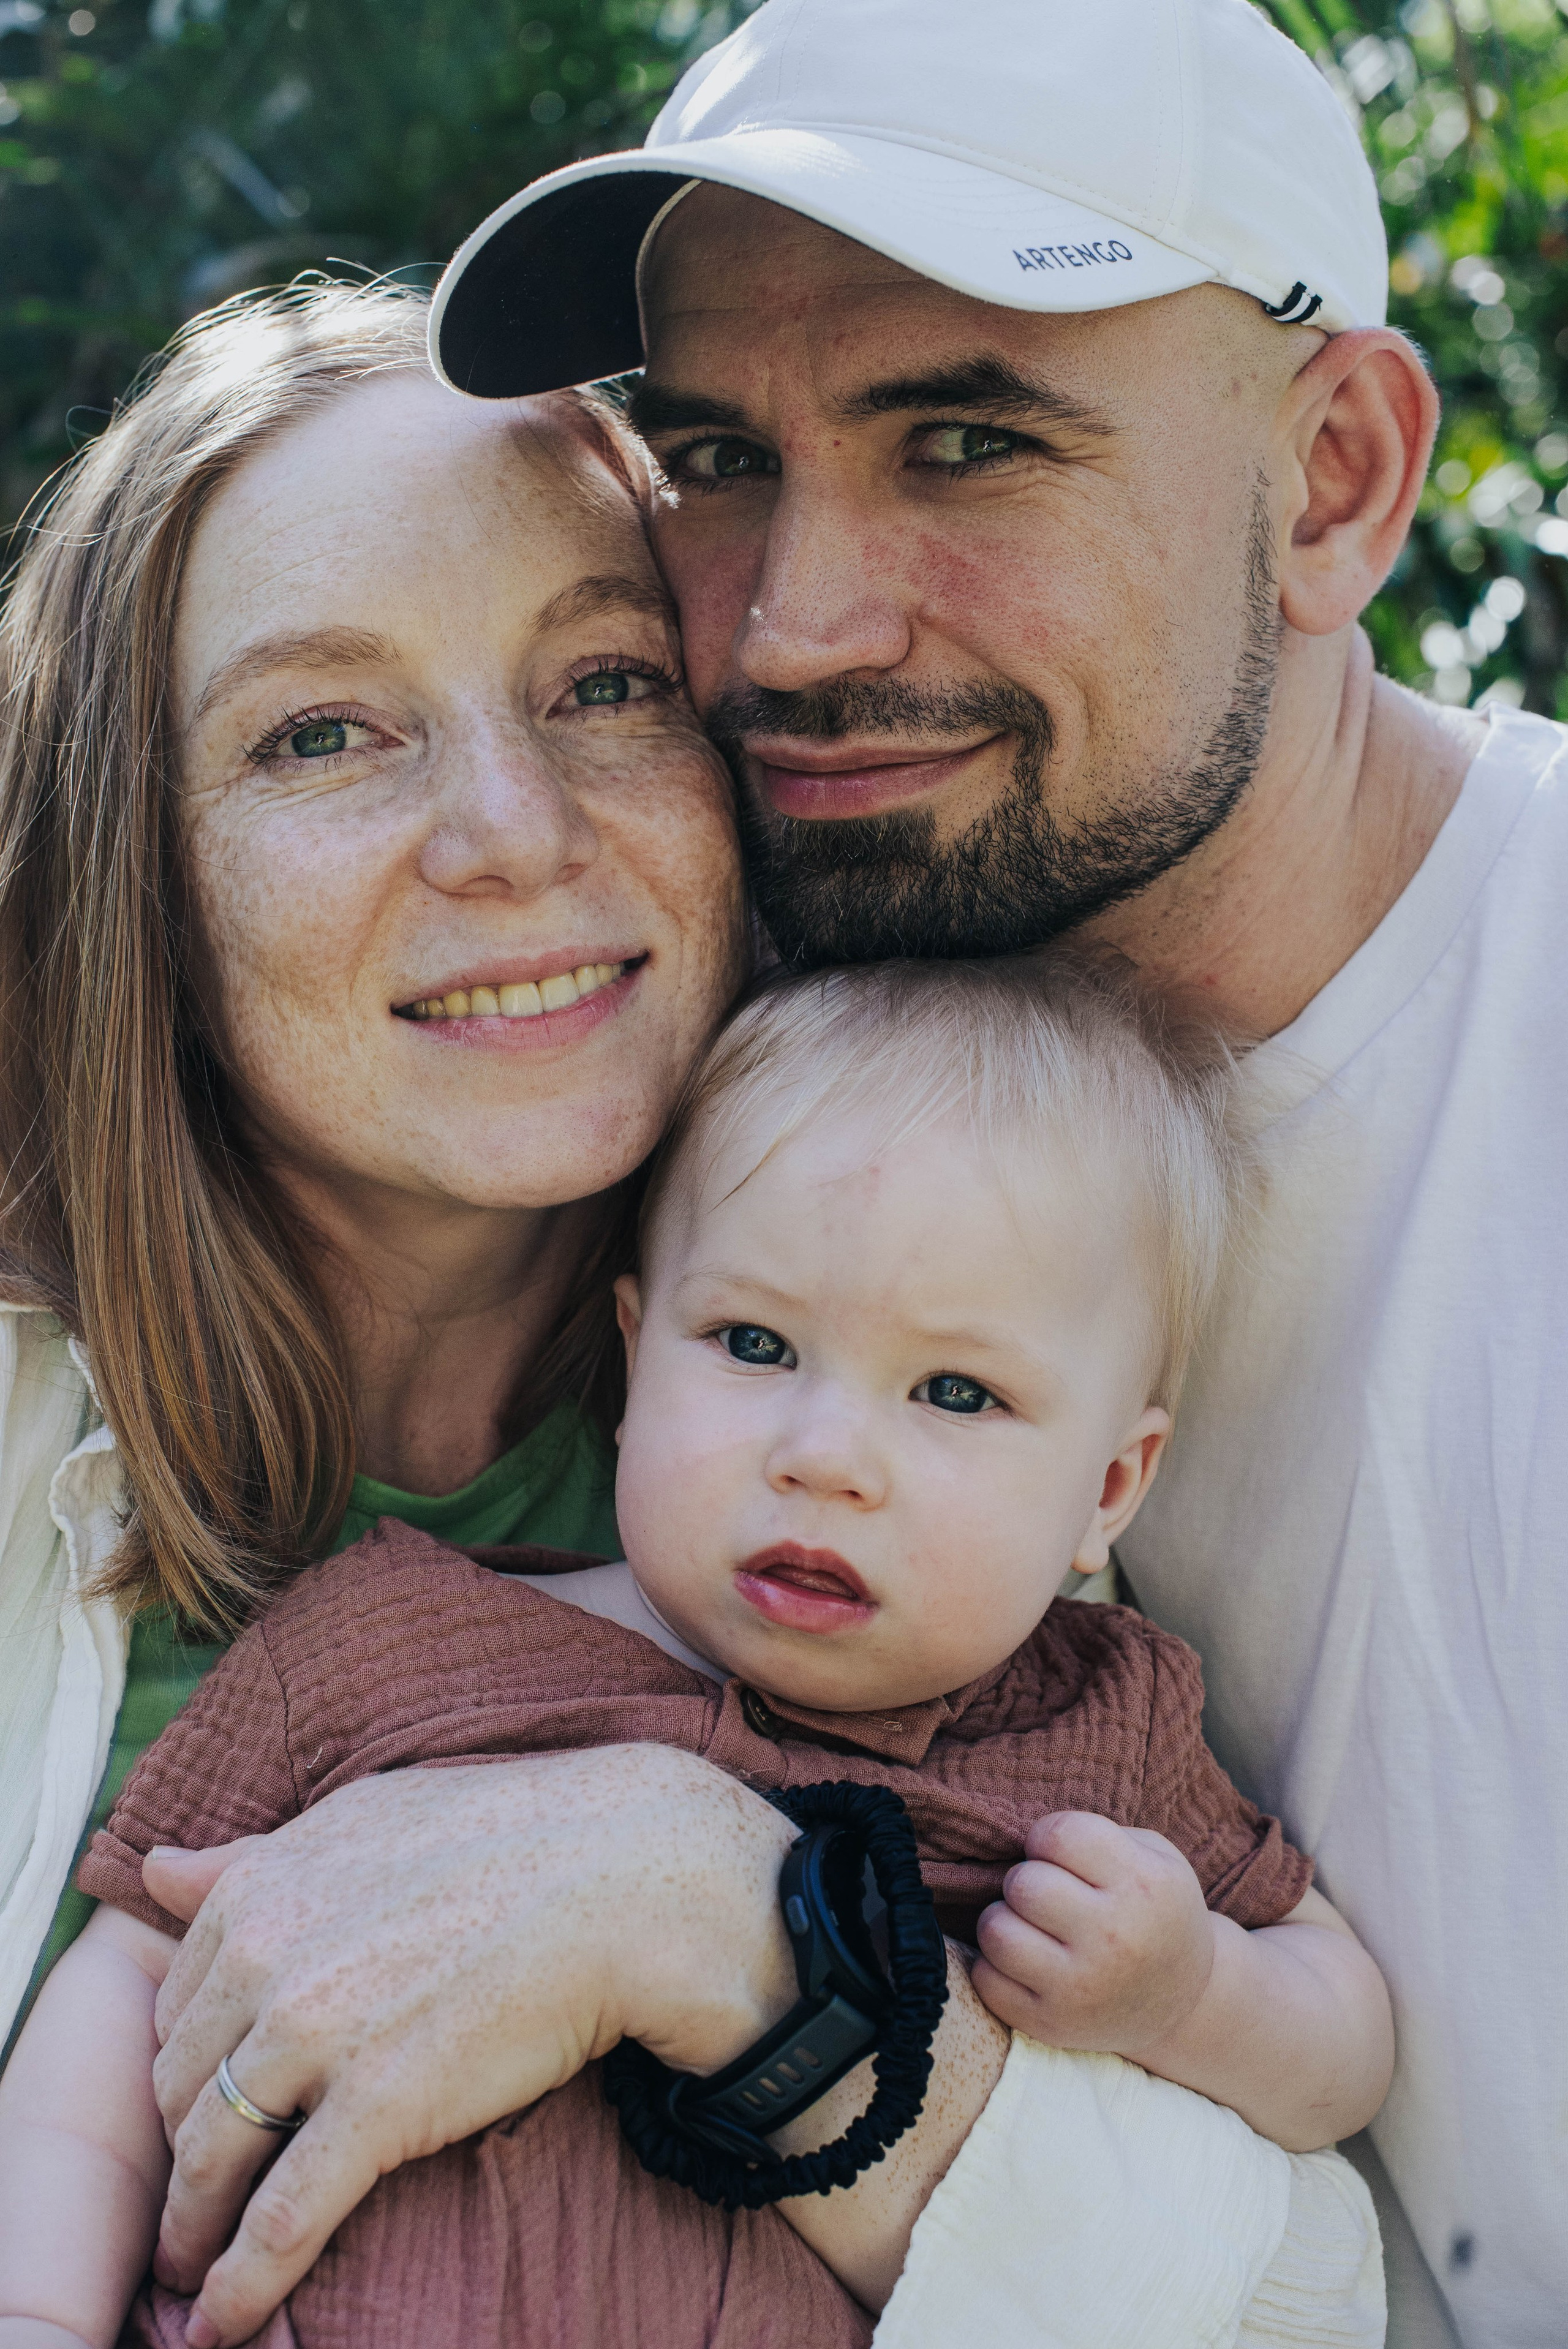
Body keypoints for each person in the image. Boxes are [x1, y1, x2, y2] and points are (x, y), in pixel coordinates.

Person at [0, 269, 1359, 2349]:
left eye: (606, 683)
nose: (511, 833)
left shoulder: (943, 1418)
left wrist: (721, 1922)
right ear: (141, 862)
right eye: (325, 730)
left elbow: (1297, 2297)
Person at [417, 0, 1568, 2341]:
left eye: (966, 439)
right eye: (719, 457)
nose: (795, 631)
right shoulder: (674, 1064)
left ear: (1334, 480)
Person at [0, 955, 1388, 2348]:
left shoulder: (1098, 1734)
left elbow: (1344, 2040)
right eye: (752, 1341)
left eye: (954, 1391)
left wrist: (1192, 1993)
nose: (825, 1456)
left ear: (1106, 1487)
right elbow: (132, 1976)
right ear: (633, 1351)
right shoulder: (387, 1640)